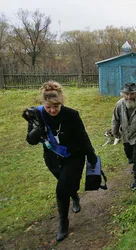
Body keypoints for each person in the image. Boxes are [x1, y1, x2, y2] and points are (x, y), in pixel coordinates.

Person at [24, 81, 97, 242]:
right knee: (64, 185)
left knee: (61, 189)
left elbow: (82, 136)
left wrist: (91, 155)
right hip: (52, 158)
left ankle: (63, 222)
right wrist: (37, 132)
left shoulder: (72, 114)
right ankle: (75, 197)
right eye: (48, 107)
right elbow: (30, 141)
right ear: (43, 103)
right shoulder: (36, 115)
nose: (52, 110)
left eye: (56, 106)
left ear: (61, 101)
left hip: (74, 156)